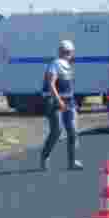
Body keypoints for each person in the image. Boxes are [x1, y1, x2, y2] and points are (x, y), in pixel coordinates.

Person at [40, 39, 82, 172]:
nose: (67, 54)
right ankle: (45, 156)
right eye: (65, 52)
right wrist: (59, 101)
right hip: (54, 102)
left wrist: (73, 104)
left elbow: (69, 86)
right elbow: (51, 84)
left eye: (69, 52)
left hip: (69, 102)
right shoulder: (55, 64)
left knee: (73, 131)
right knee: (57, 131)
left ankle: (72, 162)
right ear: (60, 52)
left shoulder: (69, 65)